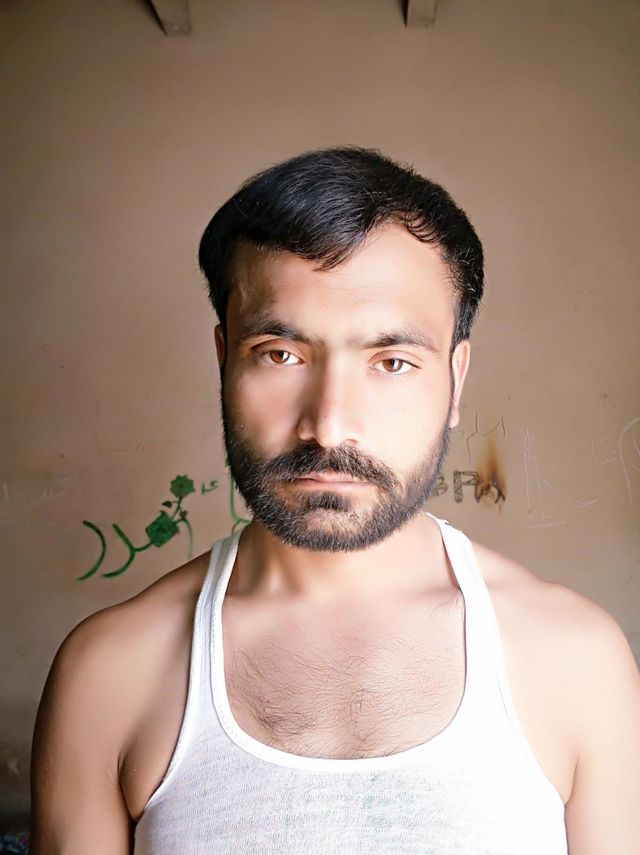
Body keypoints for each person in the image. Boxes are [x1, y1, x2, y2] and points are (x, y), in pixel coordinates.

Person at [31, 147, 640, 854]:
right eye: (280, 354)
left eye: (392, 362)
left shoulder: (577, 660)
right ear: (223, 360)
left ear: (456, 379)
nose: (328, 424)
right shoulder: (109, 674)